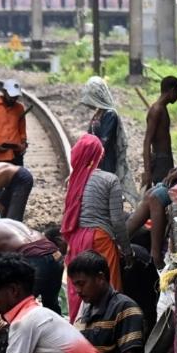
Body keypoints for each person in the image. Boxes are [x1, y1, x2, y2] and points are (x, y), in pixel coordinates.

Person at [61, 135, 131, 318]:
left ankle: (81, 326)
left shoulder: (72, 181)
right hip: (100, 239)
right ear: (99, 155)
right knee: (109, 289)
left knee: (80, 288)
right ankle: (111, 328)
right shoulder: (110, 180)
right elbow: (117, 220)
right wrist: (127, 250)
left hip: (77, 240)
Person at [0, 219, 65, 316]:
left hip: (34, 259)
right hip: (56, 255)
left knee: (19, 308)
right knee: (51, 305)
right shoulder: (0, 224)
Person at [81, 76, 129, 179]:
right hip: (96, 159)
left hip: (105, 162)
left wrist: (91, 161)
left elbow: (104, 141)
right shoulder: (99, 113)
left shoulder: (110, 115)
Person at [143, 77, 177, 189]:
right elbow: (147, 141)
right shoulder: (157, 110)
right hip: (160, 160)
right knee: (162, 192)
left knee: (166, 191)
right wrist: (147, 172)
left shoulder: (162, 108)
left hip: (165, 159)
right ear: (172, 90)